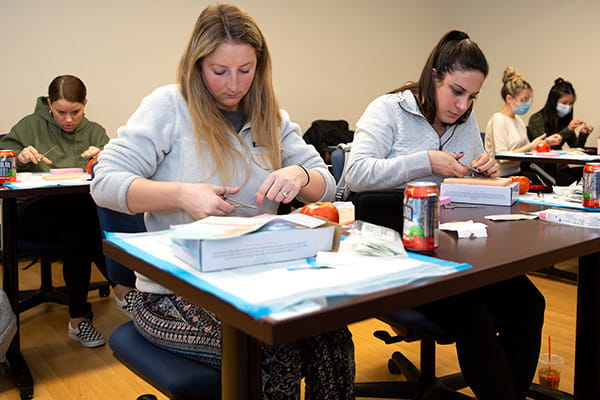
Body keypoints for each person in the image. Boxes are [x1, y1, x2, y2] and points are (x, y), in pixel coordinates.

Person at [91, 5, 354, 399]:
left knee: (333, 340)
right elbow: (105, 182)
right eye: (219, 71)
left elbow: (327, 186)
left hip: (254, 283)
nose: (234, 84)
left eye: (245, 70)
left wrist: (300, 175)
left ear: (260, 66)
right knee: (274, 351)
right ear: (197, 65)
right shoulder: (169, 107)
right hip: (170, 294)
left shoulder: (272, 117)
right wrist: (181, 193)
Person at [345, 30, 545, 400]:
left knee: (529, 302)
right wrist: (424, 162)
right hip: (397, 248)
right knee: (471, 313)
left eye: (472, 97)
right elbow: (355, 174)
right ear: (434, 75)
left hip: (455, 245)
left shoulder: (464, 119)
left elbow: (466, 176)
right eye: (456, 91)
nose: (462, 105)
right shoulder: (389, 110)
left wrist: (486, 169)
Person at [0, 75, 135, 348]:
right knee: (82, 215)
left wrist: (103, 157)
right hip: (30, 214)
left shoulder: (95, 131)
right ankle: (121, 287)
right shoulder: (29, 126)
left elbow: (114, 173)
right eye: (61, 112)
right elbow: (4, 159)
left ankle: (78, 319)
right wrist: (20, 157)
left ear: (85, 104)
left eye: (76, 111)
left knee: (79, 216)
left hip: (76, 220)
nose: (69, 119)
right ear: (49, 104)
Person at [484, 67, 561, 177]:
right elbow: (501, 156)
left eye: (528, 99)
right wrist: (530, 146)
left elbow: (526, 149)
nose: (526, 104)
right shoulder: (498, 119)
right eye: (523, 99)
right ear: (509, 99)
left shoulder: (518, 120)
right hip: (501, 176)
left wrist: (545, 142)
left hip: (517, 173)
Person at [528, 77, 594, 185]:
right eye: (564, 103)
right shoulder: (537, 119)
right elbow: (542, 144)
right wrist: (568, 130)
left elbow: (575, 147)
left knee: (589, 172)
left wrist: (583, 135)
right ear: (554, 102)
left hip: (561, 169)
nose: (568, 107)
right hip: (544, 171)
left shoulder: (564, 121)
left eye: (571, 104)